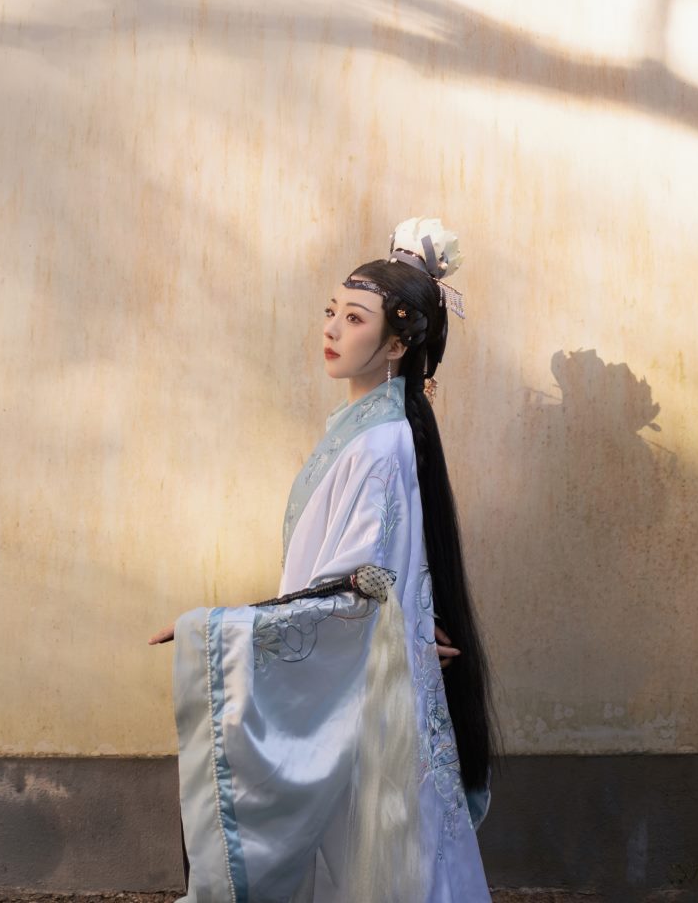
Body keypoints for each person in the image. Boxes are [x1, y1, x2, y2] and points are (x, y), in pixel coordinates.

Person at [149, 216, 494, 903]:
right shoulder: (370, 433)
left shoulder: (379, 446)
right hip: (366, 684)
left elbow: (355, 598)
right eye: (331, 311)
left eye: (355, 318)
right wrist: (402, 625)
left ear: (396, 343)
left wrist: (220, 630)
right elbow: (373, 586)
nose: (332, 329)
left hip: (364, 696)